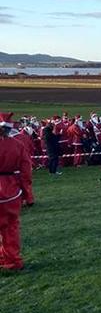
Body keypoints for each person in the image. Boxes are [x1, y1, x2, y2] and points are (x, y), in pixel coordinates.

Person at [0, 112, 34, 271]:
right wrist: (27, 193)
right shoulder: (18, 145)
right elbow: (26, 172)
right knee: (11, 228)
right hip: (12, 191)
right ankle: (12, 260)